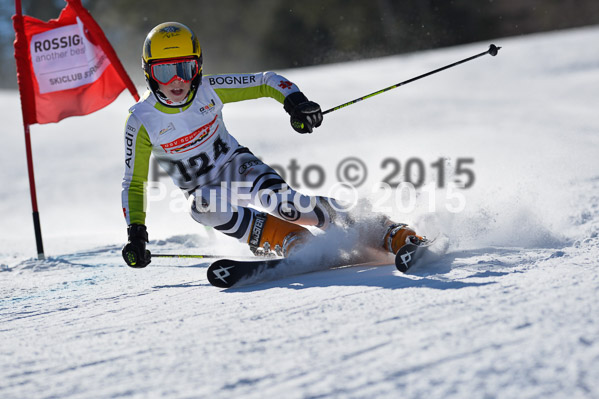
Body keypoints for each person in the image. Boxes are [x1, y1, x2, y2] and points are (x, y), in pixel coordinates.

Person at [121, 22, 419, 268]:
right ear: (149, 73)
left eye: (184, 69)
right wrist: (137, 233)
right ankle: (290, 241)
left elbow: (266, 81)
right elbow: (134, 183)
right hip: (205, 191)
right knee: (201, 206)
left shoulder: (210, 90)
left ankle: (387, 232)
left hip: (238, 167)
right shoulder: (141, 121)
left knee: (288, 205)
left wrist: (296, 103)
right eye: (164, 71)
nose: (176, 81)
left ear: (197, 68)